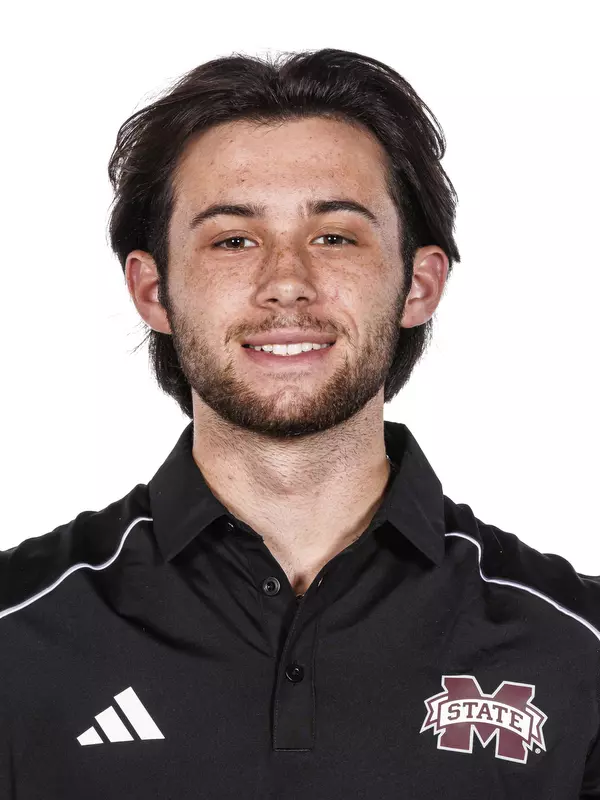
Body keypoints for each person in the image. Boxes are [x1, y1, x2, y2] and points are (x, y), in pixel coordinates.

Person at [1, 47, 598, 799]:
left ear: (418, 283)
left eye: (336, 236)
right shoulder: (17, 635)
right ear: (153, 292)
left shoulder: (579, 647)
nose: (286, 282)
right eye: (233, 240)